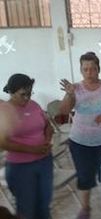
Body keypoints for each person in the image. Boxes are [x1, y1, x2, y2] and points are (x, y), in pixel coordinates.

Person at [59, 52, 101, 219]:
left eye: (93, 69)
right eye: (85, 69)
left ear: (99, 69)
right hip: (80, 142)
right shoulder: (75, 88)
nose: (89, 73)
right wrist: (69, 94)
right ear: (81, 70)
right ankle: (85, 208)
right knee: (84, 176)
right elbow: (63, 111)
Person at [0, 74, 53, 219]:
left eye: (30, 93)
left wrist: (47, 140)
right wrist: (33, 150)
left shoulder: (34, 105)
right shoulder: (4, 110)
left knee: (44, 205)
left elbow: (48, 126)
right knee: (26, 209)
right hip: (21, 167)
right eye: (23, 94)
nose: (27, 98)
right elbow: (2, 142)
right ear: (11, 92)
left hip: (44, 162)